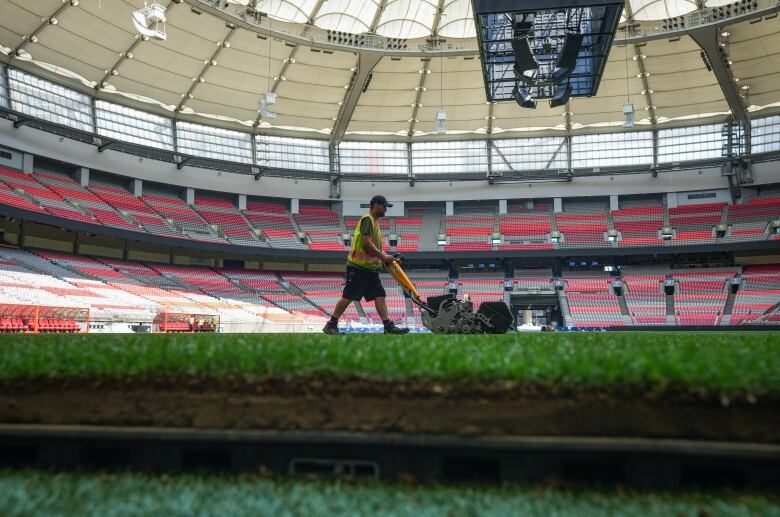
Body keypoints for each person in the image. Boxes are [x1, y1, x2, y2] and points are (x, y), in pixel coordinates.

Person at [323, 195, 409, 335]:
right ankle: (331, 324)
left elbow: (375, 247)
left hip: (370, 269)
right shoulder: (367, 220)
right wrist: (384, 257)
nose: (386, 209)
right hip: (358, 267)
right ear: (376, 205)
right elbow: (366, 243)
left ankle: (388, 326)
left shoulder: (374, 223)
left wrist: (389, 258)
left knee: (380, 295)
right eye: (384, 206)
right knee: (348, 296)